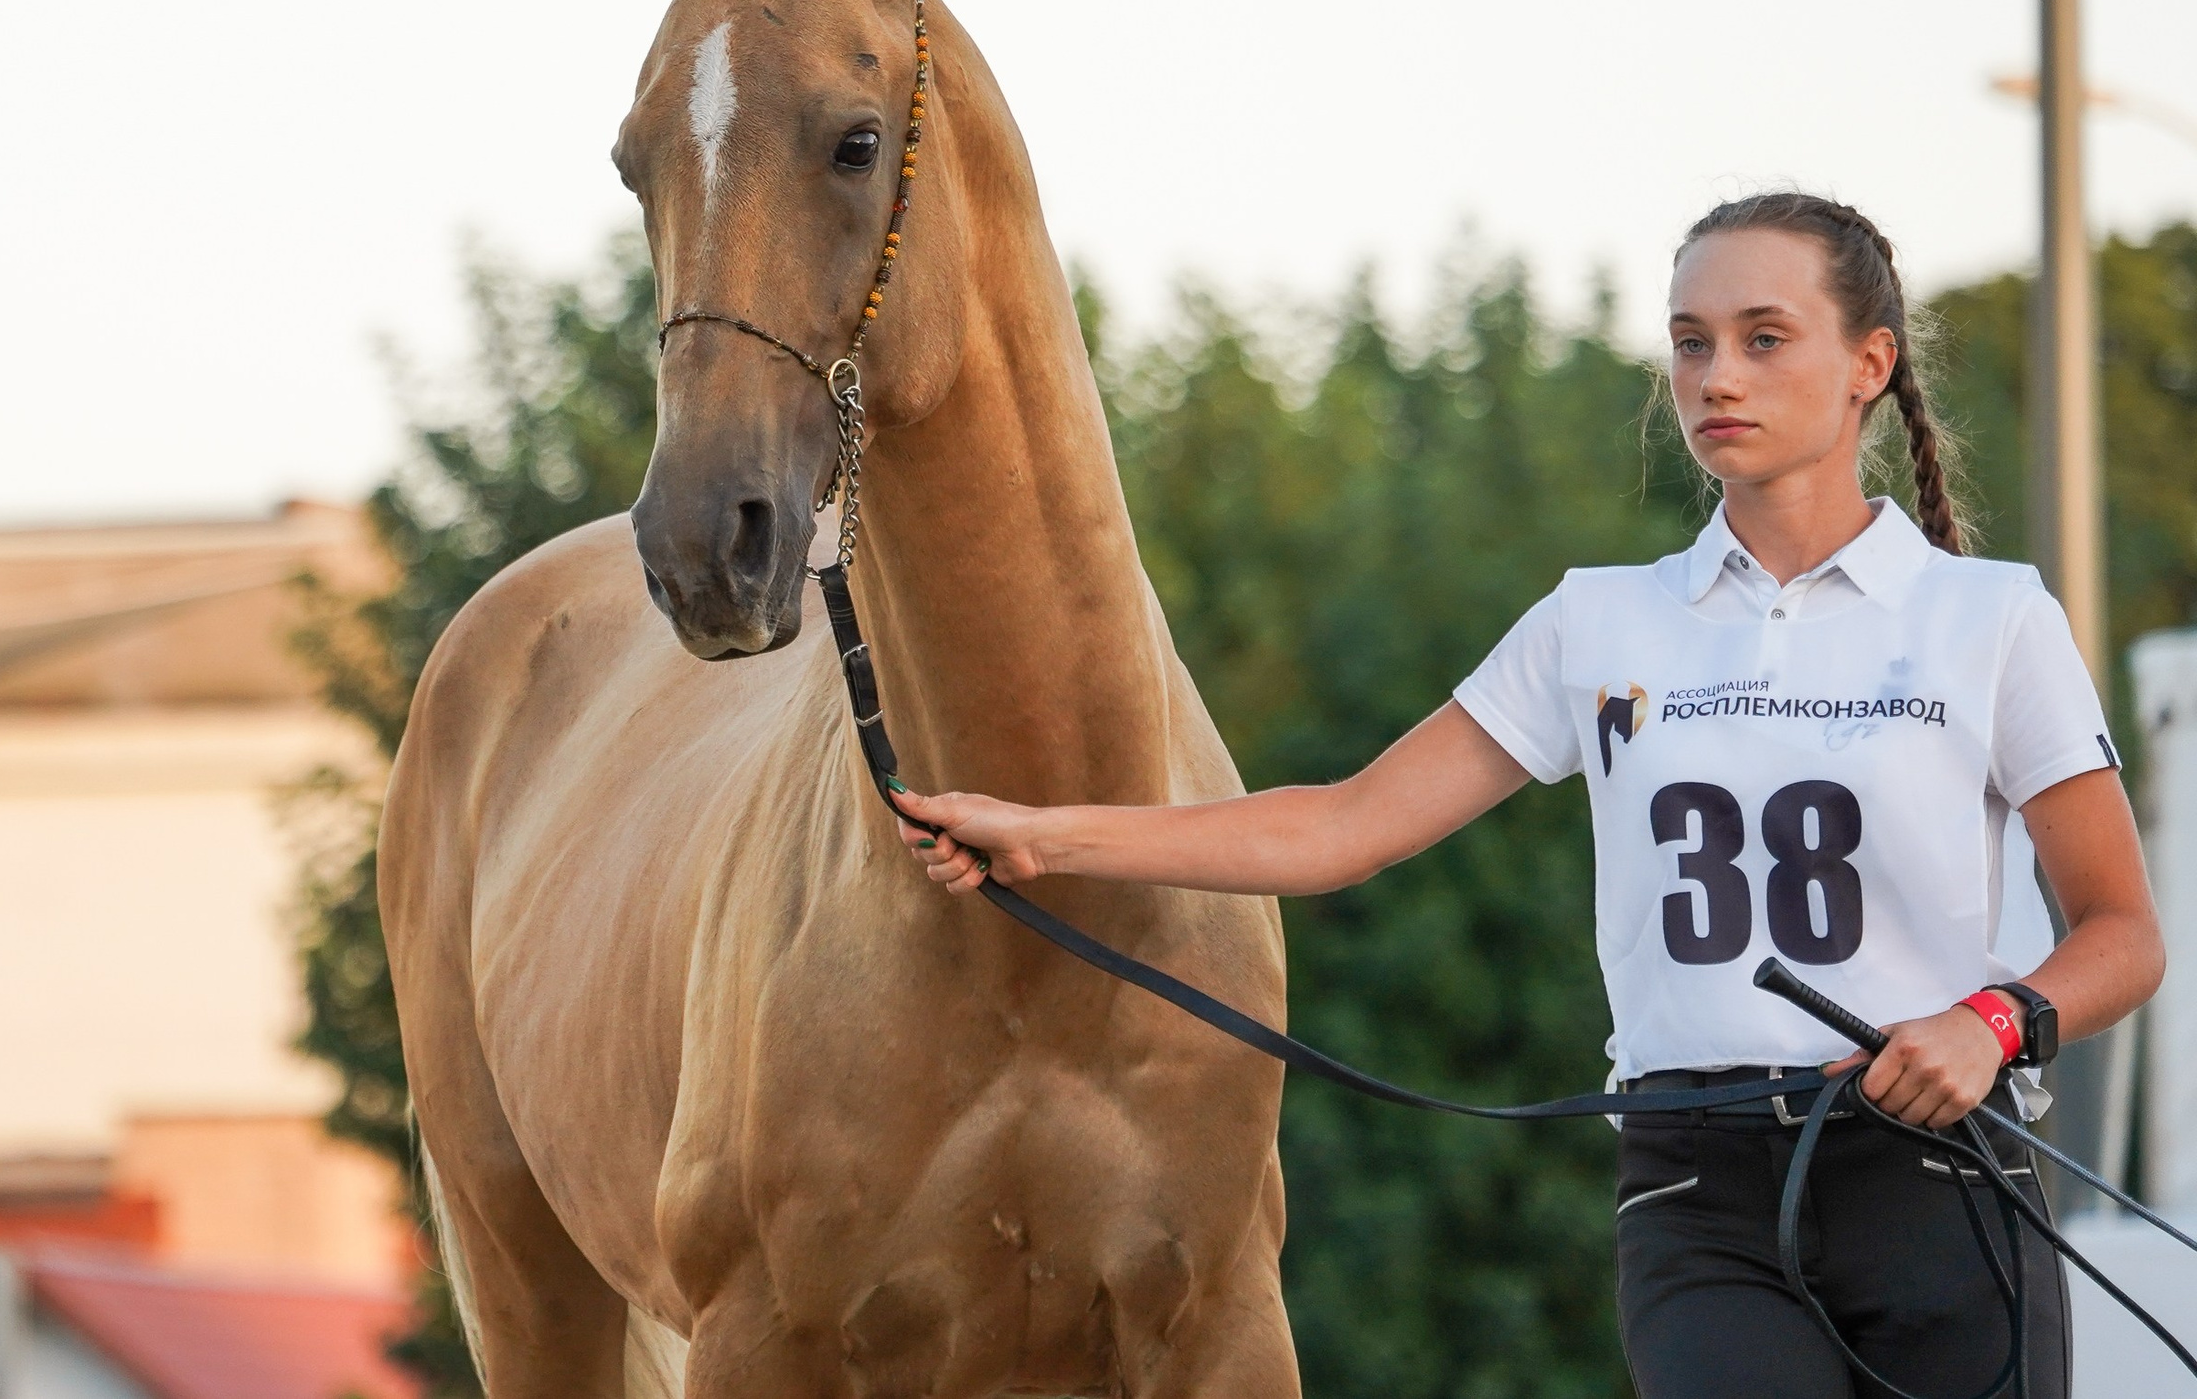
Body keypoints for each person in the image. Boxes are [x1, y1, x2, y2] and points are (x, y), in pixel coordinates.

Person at [892, 192, 2164, 1399]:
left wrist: (1993, 1022)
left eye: (1762, 339)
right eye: (1689, 342)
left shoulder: (1989, 618)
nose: (1714, 377)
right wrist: (1043, 836)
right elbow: (1342, 825)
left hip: (1938, 1179)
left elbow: (2122, 935)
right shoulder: (1596, 621)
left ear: (1867, 364)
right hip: (1699, 1190)